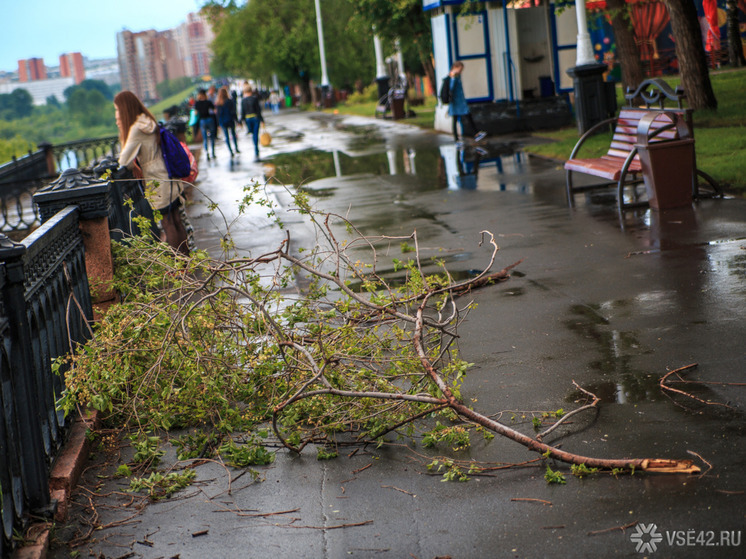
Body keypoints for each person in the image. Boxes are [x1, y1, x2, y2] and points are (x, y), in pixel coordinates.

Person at [115, 90, 189, 255]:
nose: (116, 114)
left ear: (125, 109)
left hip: (157, 180)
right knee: (176, 220)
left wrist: (134, 166)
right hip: (168, 174)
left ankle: (181, 265)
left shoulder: (136, 129)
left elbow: (124, 160)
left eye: (117, 110)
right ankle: (187, 260)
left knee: (168, 223)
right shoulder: (148, 121)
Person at [446, 61, 486, 143]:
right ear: (455, 67)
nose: (461, 71)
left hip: (460, 102)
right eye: (460, 69)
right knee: (458, 119)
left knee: (466, 116)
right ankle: (460, 138)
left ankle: (475, 134)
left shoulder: (457, 76)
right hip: (456, 103)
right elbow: (451, 88)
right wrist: (453, 78)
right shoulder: (452, 76)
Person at [241, 86, 265, 160]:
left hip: (248, 118)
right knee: (255, 133)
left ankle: (255, 146)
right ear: (251, 91)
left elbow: (243, 111)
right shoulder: (255, 99)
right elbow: (258, 110)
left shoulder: (243, 100)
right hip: (255, 118)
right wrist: (262, 120)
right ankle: (256, 147)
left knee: (252, 132)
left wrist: (241, 120)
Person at [216, 86, 240, 156]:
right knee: (233, 134)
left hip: (223, 121)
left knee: (226, 136)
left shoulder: (218, 103)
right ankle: (236, 148)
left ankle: (230, 151)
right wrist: (237, 120)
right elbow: (233, 111)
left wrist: (218, 124)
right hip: (230, 120)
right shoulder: (230, 101)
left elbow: (218, 114)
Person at [194, 89, 217, 160]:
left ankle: (207, 152)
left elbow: (195, 113)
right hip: (209, 119)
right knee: (212, 137)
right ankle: (213, 152)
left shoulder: (197, 103)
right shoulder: (208, 102)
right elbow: (214, 110)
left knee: (205, 138)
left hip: (202, 120)